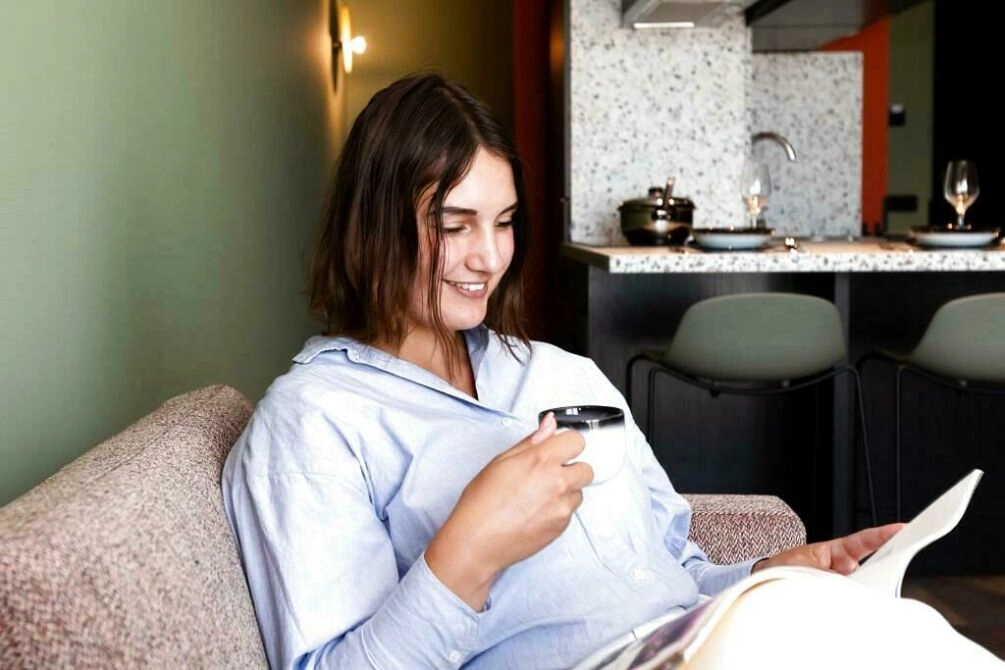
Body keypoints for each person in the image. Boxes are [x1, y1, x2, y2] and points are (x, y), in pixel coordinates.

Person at [221, 71, 1002, 669]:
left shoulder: (559, 375)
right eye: (454, 225)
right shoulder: (315, 422)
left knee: (915, 630)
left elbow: (674, 568)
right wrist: (467, 551)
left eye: (503, 223)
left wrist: (771, 571)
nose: (487, 257)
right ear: (374, 224)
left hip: (696, 646)